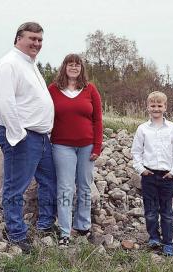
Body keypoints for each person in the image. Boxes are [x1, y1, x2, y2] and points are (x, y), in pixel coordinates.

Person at [0, 22, 57, 253]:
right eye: (32, 38)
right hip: (23, 137)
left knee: (49, 181)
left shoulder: (29, 64)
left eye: (40, 40)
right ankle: (16, 233)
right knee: (15, 187)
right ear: (18, 38)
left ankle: (45, 225)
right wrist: (17, 135)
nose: (37, 44)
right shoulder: (9, 64)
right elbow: (4, 102)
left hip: (40, 138)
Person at [48, 54, 103, 247]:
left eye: (77, 65)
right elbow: (44, 113)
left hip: (87, 145)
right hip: (62, 145)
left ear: (82, 68)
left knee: (85, 185)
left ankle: (83, 225)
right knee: (65, 187)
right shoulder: (53, 89)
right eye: (70, 64)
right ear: (64, 67)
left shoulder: (90, 89)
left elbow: (97, 119)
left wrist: (97, 145)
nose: (73, 67)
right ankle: (64, 231)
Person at [131, 91, 173, 256]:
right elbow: (136, 152)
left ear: (165, 107)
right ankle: (154, 236)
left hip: (166, 176)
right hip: (149, 175)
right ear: (147, 107)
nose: (156, 108)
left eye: (159, 105)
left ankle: (168, 242)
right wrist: (141, 170)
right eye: (153, 105)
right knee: (151, 210)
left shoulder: (172, 128)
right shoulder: (143, 129)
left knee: (166, 211)